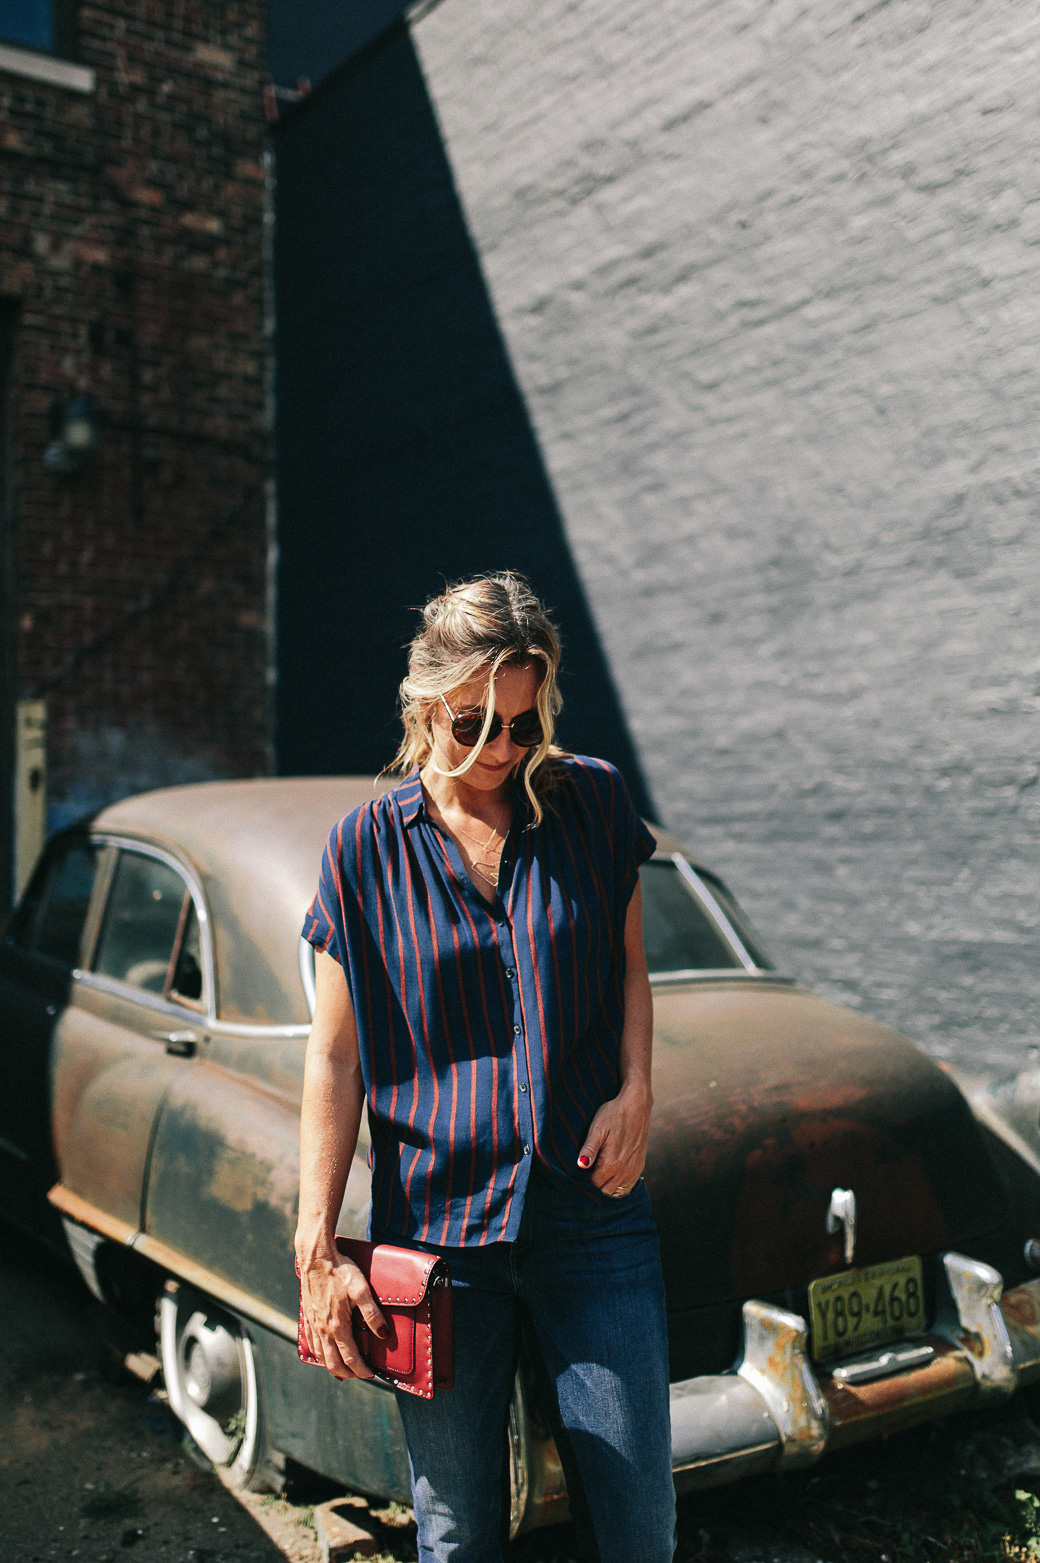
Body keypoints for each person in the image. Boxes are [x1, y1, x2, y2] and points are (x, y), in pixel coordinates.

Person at [295, 572, 675, 1563]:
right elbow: (334, 1061)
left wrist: (636, 1092)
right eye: (471, 723)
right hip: (437, 1240)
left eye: (521, 724)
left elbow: (629, 970)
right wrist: (317, 1249)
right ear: (422, 706)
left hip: (592, 1214)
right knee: (458, 1529)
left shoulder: (587, 802)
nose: (499, 751)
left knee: (636, 1523)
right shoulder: (363, 852)